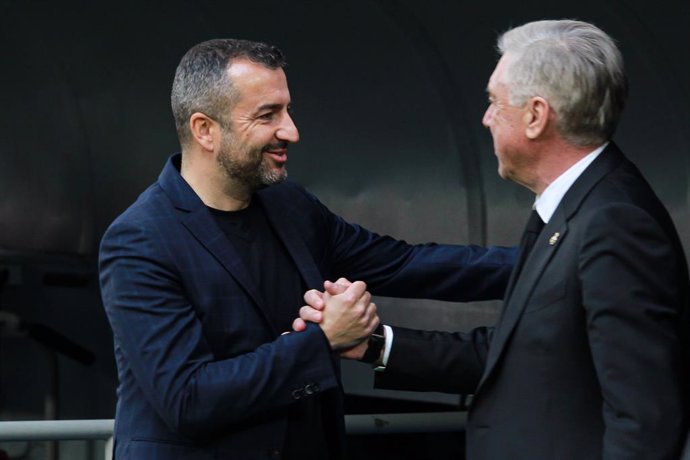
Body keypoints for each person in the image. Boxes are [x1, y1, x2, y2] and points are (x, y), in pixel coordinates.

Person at [98, 38, 515, 459]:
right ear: (205, 129)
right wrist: (324, 339)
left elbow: (407, 264)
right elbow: (189, 400)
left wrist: (546, 260)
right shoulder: (139, 240)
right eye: (268, 115)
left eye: (287, 110)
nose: (291, 131)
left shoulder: (290, 205)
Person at [299, 20, 690, 459]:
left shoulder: (615, 223)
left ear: (536, 116)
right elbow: (517, 354)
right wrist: (372, 346)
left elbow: (644, 420)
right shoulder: (574, 207)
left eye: (493, 102)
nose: (485, 119)